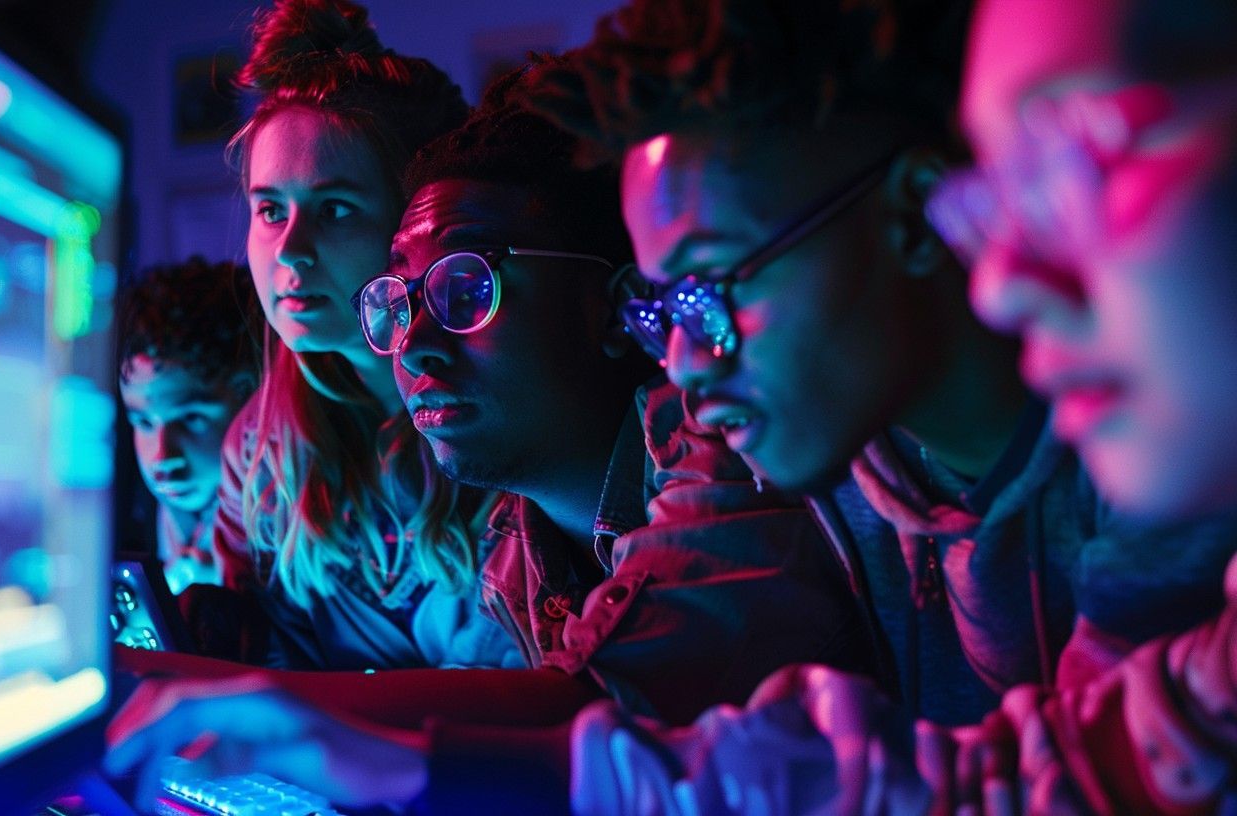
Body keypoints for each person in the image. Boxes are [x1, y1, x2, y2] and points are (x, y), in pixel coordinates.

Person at [106, 66, 878, 814]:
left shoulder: (720, 440)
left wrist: (231, 701)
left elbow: (590, 713)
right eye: (401, 299)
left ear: (614, 308)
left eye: (467, 287)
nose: (414, 345)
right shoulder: (516, 544)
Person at [570, 0, 1237, 812]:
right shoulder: (800, 424)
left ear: (916, 213)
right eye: (663, 310)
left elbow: (1078, 778)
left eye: (1085, 149)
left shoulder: (1164, 437)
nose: (1001, 279)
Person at [199, 0, 518, 671]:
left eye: (336, 209)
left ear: (413, 227)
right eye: (269, 209)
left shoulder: (511, 415)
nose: (291, 251)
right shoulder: (259, 452)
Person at [117, 257, 259, 594]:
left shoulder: (290, 531)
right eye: (144, 422)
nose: (162, 456)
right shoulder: (127, 515)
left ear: (251, 397)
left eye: (192, 418)